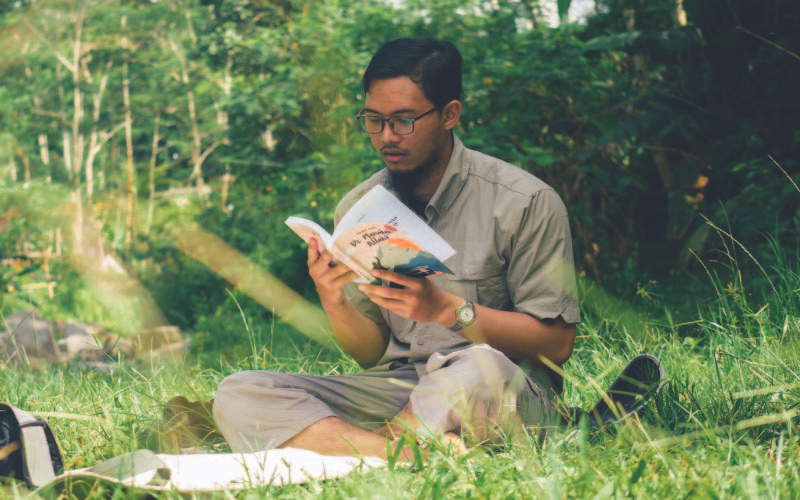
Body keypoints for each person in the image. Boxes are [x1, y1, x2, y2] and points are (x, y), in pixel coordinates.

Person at [213, 37, 581, 457]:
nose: (386, 136)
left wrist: (447, 310)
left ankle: (368, 446)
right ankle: (408, 452)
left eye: (403, 120)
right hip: (400, 389)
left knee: (481, 367)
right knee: (240, 392)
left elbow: (557, 346)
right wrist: (333, 299)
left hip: (498, 388)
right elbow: (373, 354)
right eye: (373, 120)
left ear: (449, 114)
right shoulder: (359, 208)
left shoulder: (524, 202)